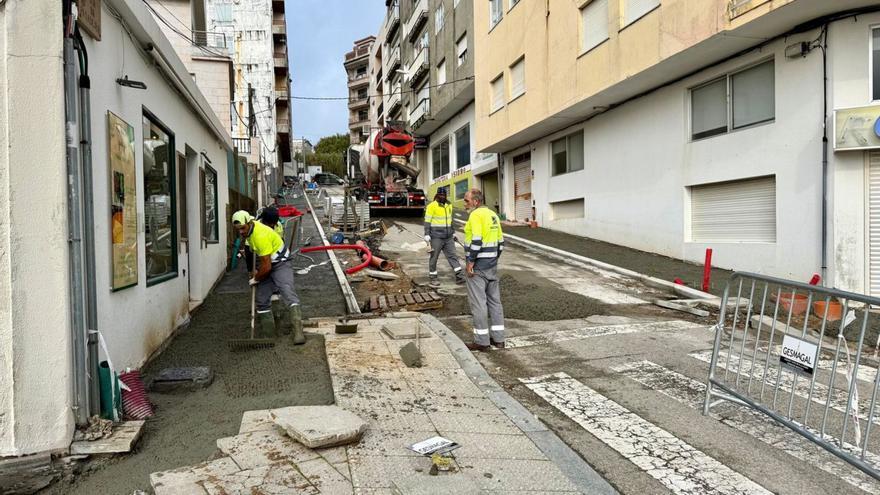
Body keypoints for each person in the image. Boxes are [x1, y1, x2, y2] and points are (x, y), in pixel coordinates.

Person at [232, 210, 305, 345]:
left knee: (286, 290)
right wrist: (253, 271)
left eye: (242, 228)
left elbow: (267, 267)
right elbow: (253, 255)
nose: (241, 232)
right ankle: (269, 336)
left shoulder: (260, 235)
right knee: (262, 299)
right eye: (238, 229)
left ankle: (298, 332)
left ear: (249, 223)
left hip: (281, 262)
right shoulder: (250, 232)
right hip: (267, 262)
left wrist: (256, 278)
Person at [462, 189, 505, 351]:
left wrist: (471, 262)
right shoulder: (493, 215)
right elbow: (501, 243)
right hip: (492, 265)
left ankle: (482, 341)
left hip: (478, 267)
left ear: (476, 201)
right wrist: (493, 259)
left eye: (467, 200)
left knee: (479, 304)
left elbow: (477, 240)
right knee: (495, 302)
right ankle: (499, 340)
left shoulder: (475, 215)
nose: (464, 203)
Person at [423, 189, 464, 285]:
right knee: (434, 257)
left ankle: (459, 276)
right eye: (440, 194)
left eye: (444, 194)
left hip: (448, 237)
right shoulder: (431, 206)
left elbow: (450, 220)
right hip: (436, 237)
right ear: (437, 195)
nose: (442, 196)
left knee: (453, 256)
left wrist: (453, 232)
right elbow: (427, 221)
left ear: (446, 195)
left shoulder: (448, 205)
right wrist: (427, 234)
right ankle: (433, 277)